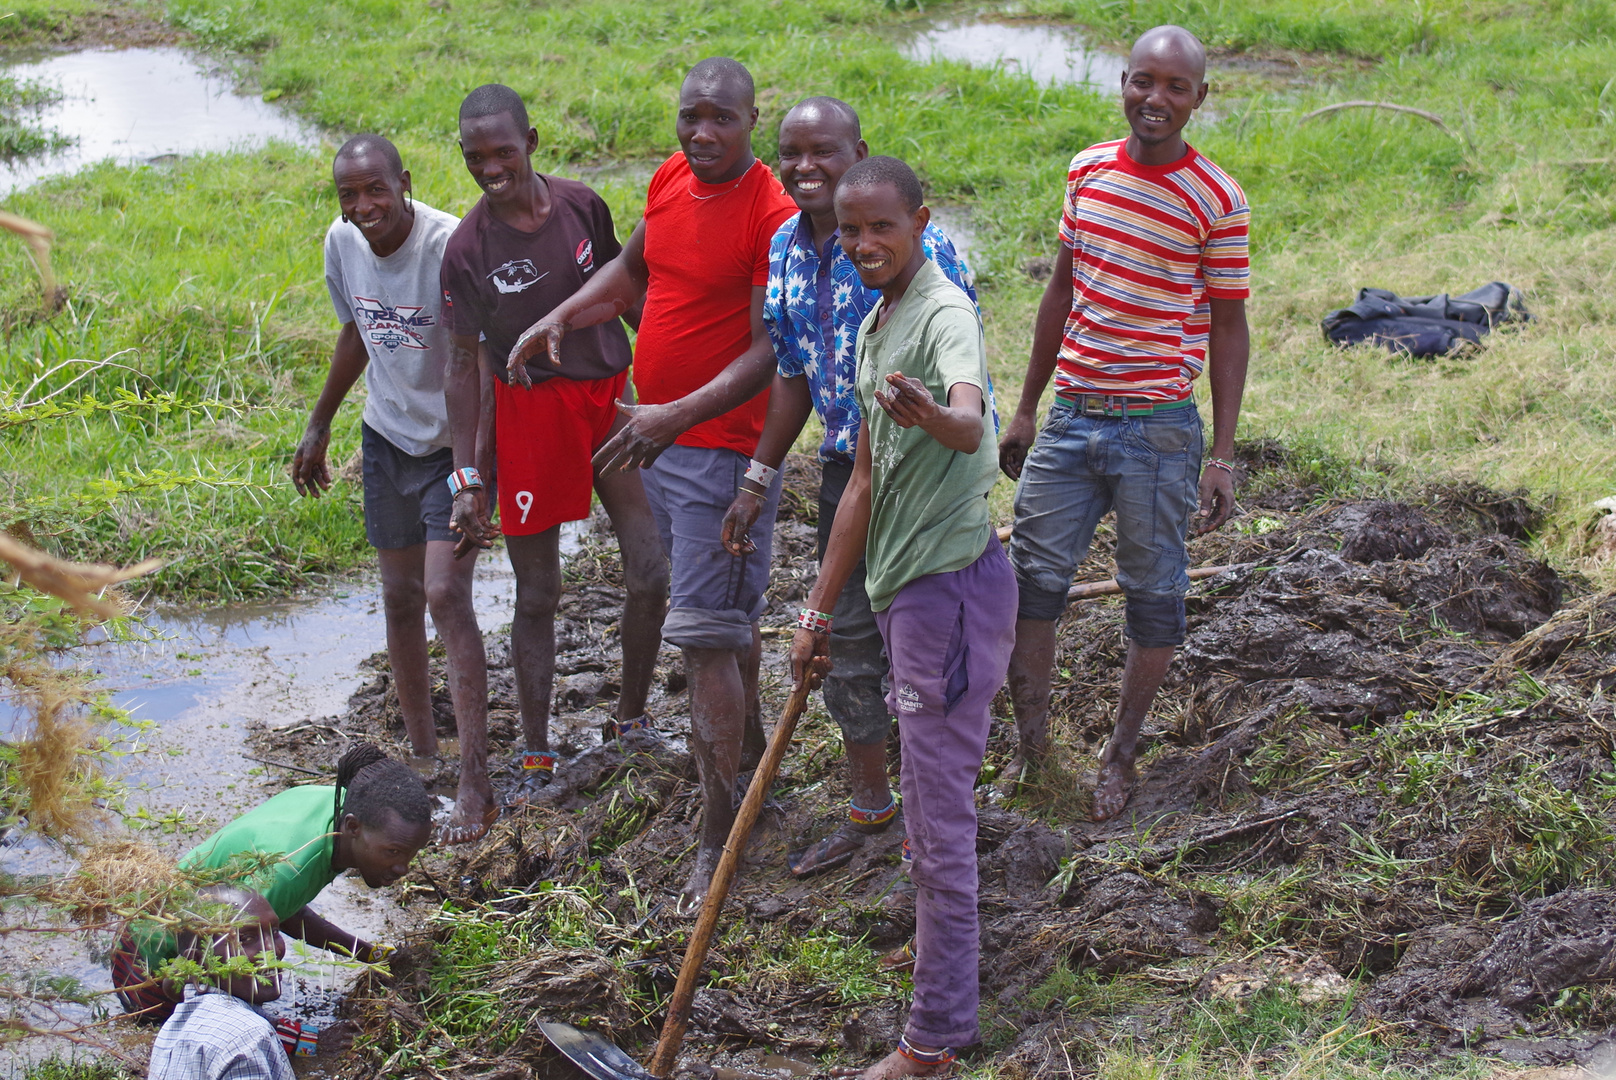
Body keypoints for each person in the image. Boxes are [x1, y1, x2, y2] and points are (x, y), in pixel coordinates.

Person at [509, 58, 795, 916]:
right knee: (727, 619)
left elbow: (768, 351)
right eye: (689, 117)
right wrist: (564, 313)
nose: (701, 134)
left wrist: (671, 414)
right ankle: (748, 781)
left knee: (706, 636)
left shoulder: (770, 214)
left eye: (720, 120)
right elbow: (635, 273)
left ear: (753, 119)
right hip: (663, 442)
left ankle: (718, 835)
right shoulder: (673, 177)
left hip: (719, 450)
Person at [791, 155, 1013, 1079]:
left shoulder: (944, 313)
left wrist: (936, 415)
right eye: (850, 230)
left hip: (948, 594)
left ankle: (934, 1041)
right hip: (898, 592)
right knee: (928, 814)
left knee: (935, 815)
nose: (865, 244)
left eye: (882, 226)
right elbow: (865, 485)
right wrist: (815, 608)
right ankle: (941, 962)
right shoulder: (875, 325)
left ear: (920, 221)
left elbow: (971, 425)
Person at [997, 25, 1251, 822]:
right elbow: (1061, 294)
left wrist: (1224, 454)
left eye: (1177, 88)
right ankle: (1032, 750)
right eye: (1145, 82)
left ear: (1200, 99)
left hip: (1158, 429)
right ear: (1123, 83)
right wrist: (1029, 406)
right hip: (1071, 416)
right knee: (1032, 587)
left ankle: (1121, 755)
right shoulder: (1087, 170)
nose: (1157, 100)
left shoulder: (1217, 198)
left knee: (1154, 596)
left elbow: (1229, 324)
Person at [720, 97, 977, 879]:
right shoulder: (787, 248)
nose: (805, 168)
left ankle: (940, 814)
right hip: (848, 469)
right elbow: (795, 372)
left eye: (822, 152)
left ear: (857, 152)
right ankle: (874, 810)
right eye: (789, 154)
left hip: (922, 469)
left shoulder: (915, 250)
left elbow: (956, 374)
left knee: (926, 646)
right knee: (849, 643)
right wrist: (759, 479)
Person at [439, 84, 668, 805]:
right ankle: (536, 750)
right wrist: (468, 473)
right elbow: (461, 367)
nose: (492, 169)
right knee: (538, 591)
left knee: (650, 569)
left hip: (606, 399)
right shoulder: (467, 251)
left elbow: (623, 291)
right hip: (532, 414)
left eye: (504, 152)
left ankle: (629, 720)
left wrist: (667, 390)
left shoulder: (582, 205)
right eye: (477, 158)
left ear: (531, 141)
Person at [291, 134, 495, 844]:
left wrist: (474, 472)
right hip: (387, 438)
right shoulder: (342, 243)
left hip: (452, 444)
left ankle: (476, 776)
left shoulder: (448, 248)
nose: (364, 206)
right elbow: (356, 333)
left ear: (403, 182)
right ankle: (423, 756)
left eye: (376, 189)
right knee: (401, 596)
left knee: (445, 593)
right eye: (349, 195)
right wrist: (319, 424)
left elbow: (481, 360)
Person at [114, 743, 432, 1021]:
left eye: (413, 853)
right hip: (151, 962)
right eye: (393, 852)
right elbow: (196, 975)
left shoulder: (343, 805)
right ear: (353, 827)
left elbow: (286, 909)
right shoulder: (288, 868)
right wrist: (298, 1038)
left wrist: (371, 955)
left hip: (166, 926)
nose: (403, 867)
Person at [146, 885, 295, 1080]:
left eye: (275, 932)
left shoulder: (172, 1029)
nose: (271, 950)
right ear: (199, 962)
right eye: (245, 938)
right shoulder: (250, 1035)